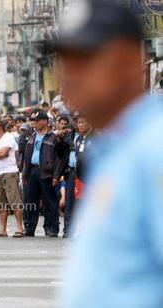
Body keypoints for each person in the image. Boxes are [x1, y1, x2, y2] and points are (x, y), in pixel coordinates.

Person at [54, 0, 163, 306]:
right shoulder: (117, 148)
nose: (72, 75)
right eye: (66, 61)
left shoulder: (155, 149)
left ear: (130, 64)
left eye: (86, 59)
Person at [22, 110, 64, 237]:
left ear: (45, 121)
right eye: (34, 120)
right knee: (30, 201)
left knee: (49, 201)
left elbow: (58, 158)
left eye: (37, 120)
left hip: (47, 172)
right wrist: (25, 173)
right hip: (32, 170)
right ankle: (29, 227)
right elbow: (25, 155)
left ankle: (51, 228)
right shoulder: (32, 135)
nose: (35, 123)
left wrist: (56, 175)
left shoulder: (53, 137)